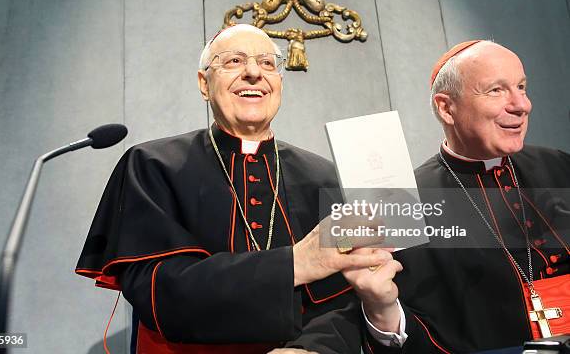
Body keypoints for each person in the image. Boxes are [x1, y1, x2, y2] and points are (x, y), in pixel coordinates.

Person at [75, 24, 389, 354]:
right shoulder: (152, 165)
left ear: (279, 83)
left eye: (268, 63)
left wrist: (311, 348)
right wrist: (293, 264)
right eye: (235, 61)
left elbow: (345, 297)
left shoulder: (323, 176)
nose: (254, 72)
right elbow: (160, 292)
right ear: (204, 84)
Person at [344, 40, 570, 352]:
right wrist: (381, 307)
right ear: (446, 107)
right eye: (496, 90)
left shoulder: (560, 166)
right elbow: (403, 321)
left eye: (521, 87)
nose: (522, 104)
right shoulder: (403, 203)